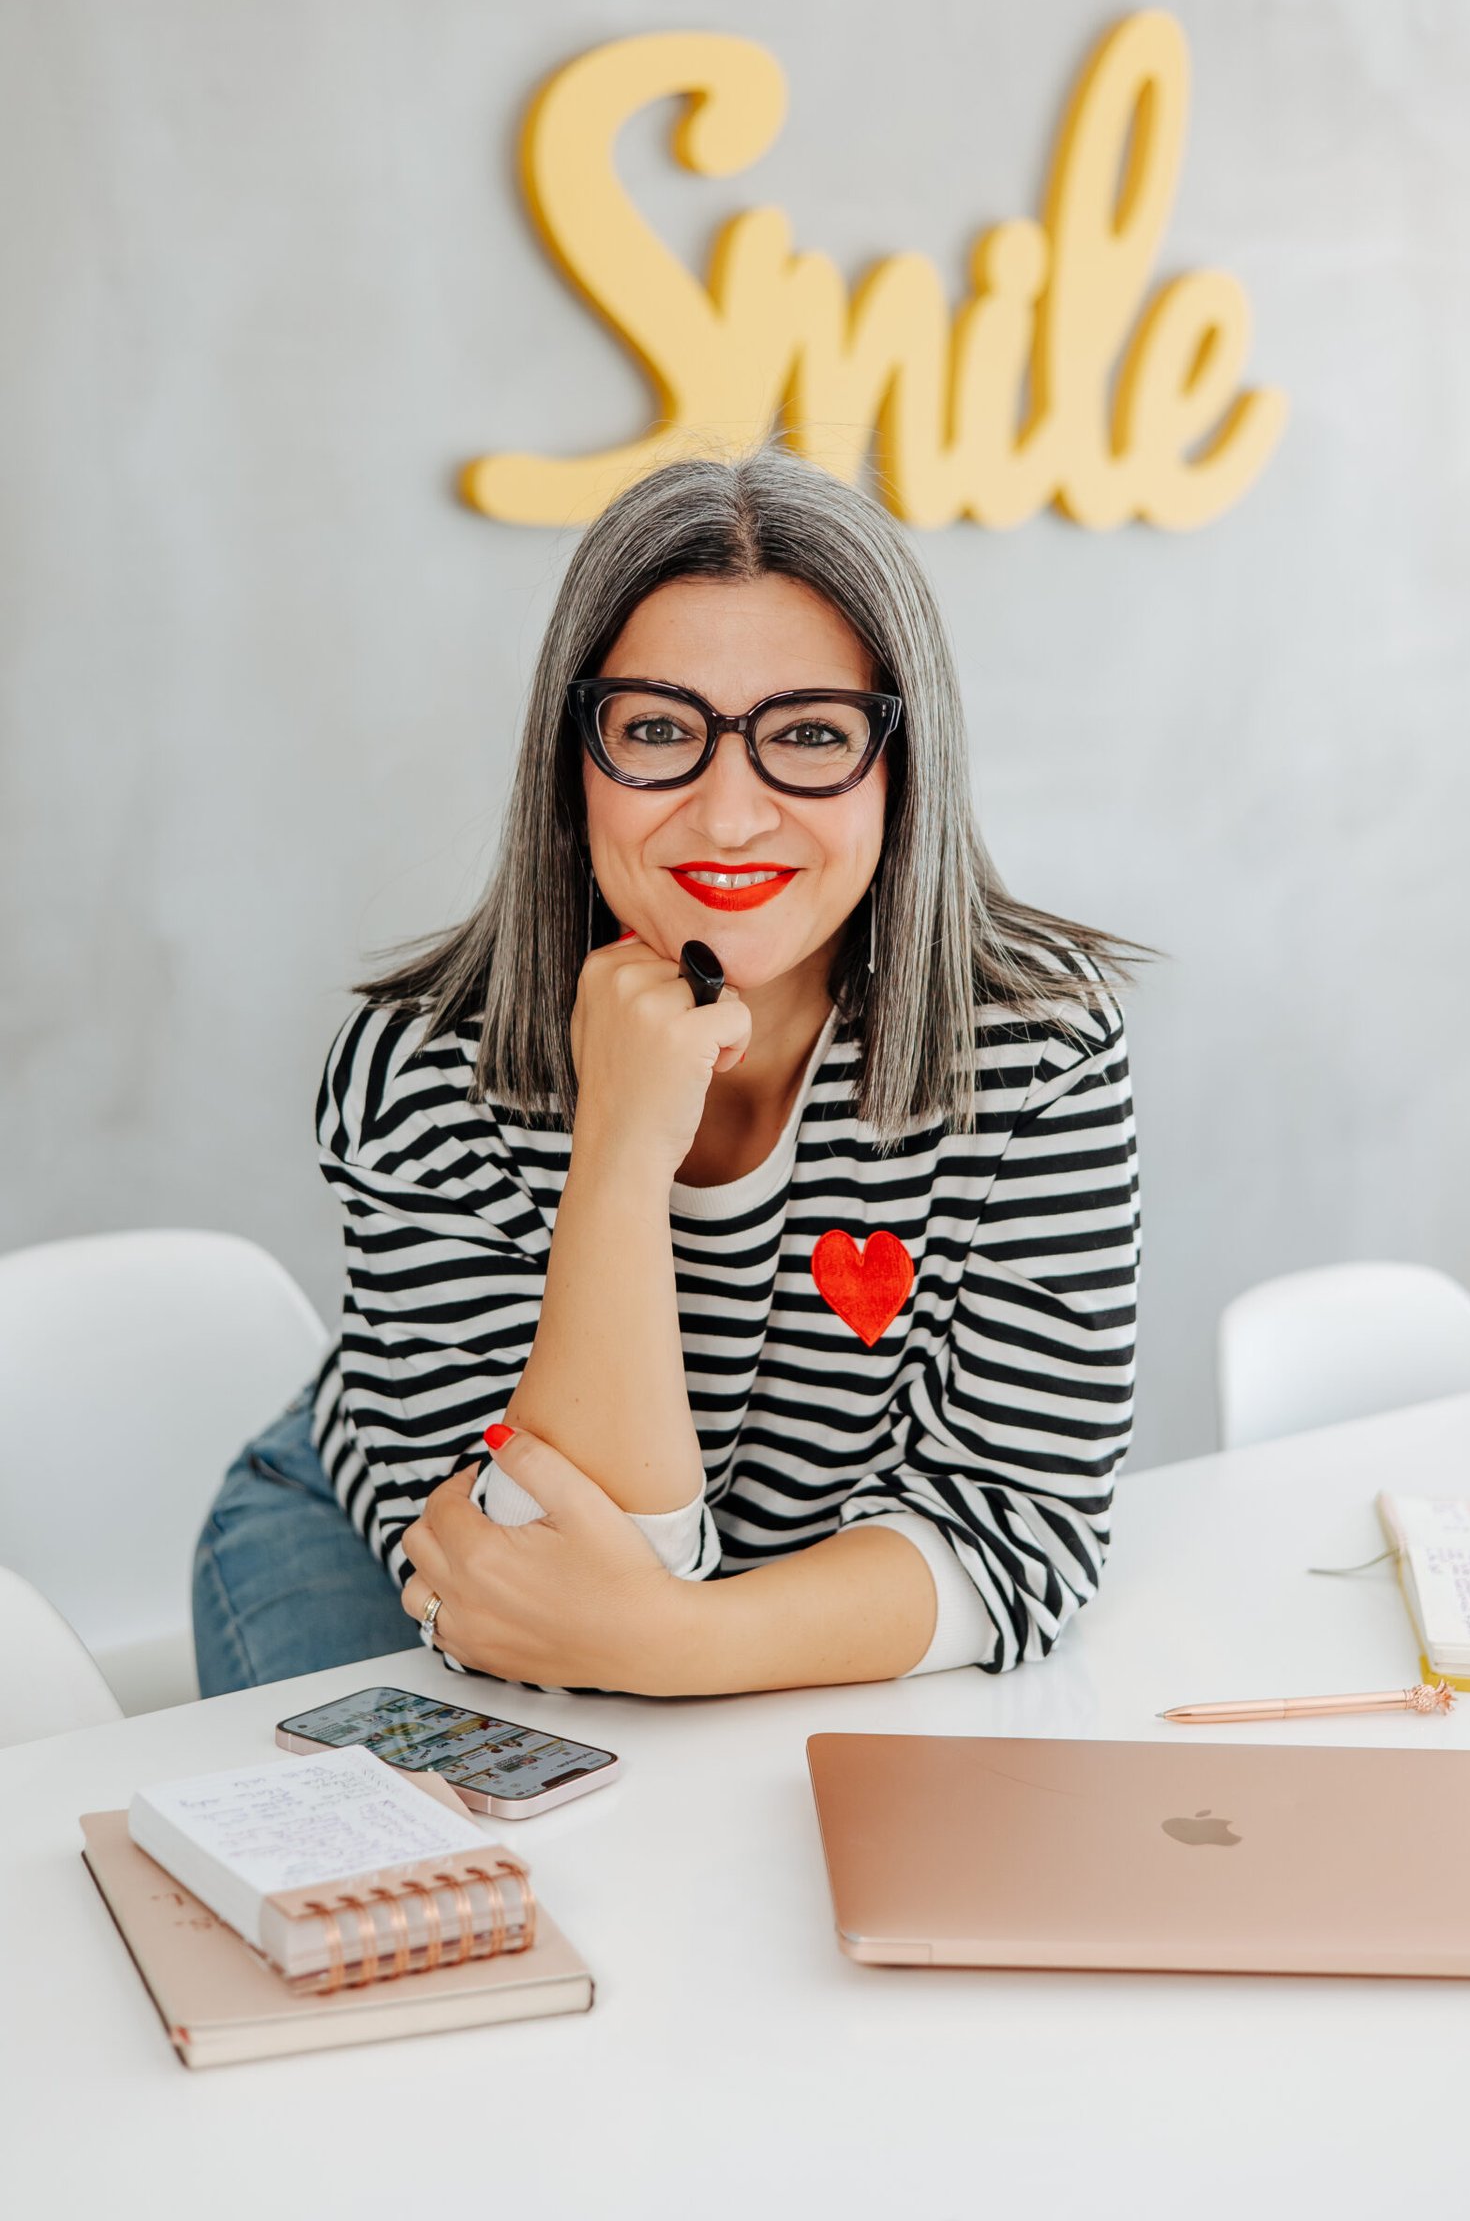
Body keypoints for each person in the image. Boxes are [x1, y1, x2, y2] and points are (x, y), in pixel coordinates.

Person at [193, 451, 1141, 1697]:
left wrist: (679, 1643)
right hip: (386, 1555)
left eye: (809, 733)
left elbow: (1020, 1533)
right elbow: (534, 1594)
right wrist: (623, 1153)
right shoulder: (418, 1076)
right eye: (656, 730)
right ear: (572, 758)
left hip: (753, 1606)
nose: (731, 814)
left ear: (902, 769)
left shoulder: (1039, 1055)